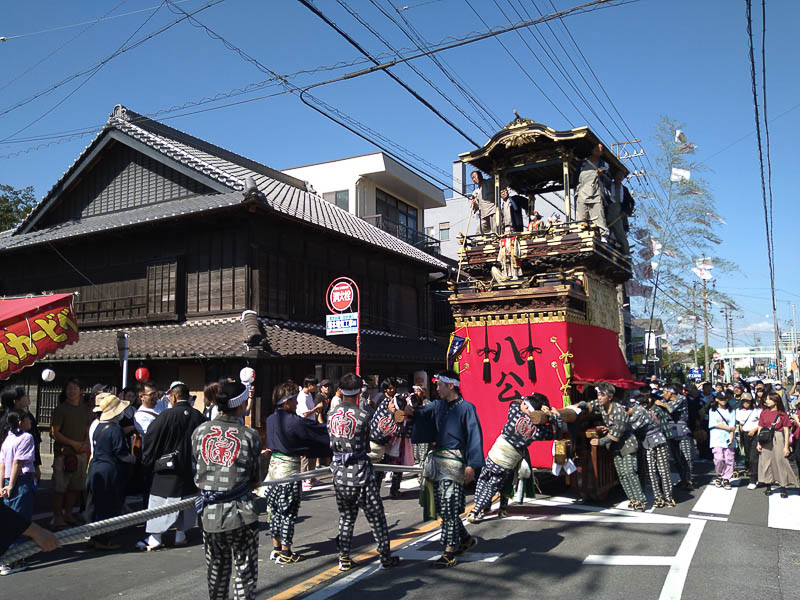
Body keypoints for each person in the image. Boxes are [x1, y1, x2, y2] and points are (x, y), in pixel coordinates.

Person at [192, 381, 261, 600]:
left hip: (209, 513)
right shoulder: (249, 435)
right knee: (245, 572)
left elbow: (195, 468)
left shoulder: (200, 432)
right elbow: (254, 479)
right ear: (241, 405)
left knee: (216, 572)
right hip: (241, 512)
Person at [328, 373, 400, 571]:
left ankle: (344, 557)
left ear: (340, 390)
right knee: (376, 516)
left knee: (346, 517)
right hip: (361, 473)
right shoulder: (363, 415)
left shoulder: (331, 414)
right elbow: (371, 441)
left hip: (339, 473)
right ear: (360, 391)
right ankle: (385, 556)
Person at [412, 369, 484, 568]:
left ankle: (449, 551)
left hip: (454, 461)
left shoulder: (467, 408)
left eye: (439, 385)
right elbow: (421, 414)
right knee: (442, 507)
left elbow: (474, 435)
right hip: (437, 461)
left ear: (451, 386)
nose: (436, 388)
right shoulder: (437, 405)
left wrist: (472, 465)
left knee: (449, 505)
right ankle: (465, 539)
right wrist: (409, 411)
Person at [263, 381, 330, 564]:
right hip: (288, 471)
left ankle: (276, 548)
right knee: (288, 511)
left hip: (273, 470)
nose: (296, 403)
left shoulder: (270, 420)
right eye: (294, 400)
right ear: (287, 402)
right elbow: (316, 433)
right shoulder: (293, 422)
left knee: (274, 510)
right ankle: (286, 552)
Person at [468, 393, 556, 523]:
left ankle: (477, 509)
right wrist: (550, 417)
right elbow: (552, 432)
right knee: (498, 484)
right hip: (508, 462)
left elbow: (514, 402)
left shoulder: (516, 414)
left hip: (494, 455)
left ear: (526, 406)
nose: (521, 404)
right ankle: (493, 508)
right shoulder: (537, 430)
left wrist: (527, 402)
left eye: (524, 403)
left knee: (484, 480)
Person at [138, 383, 206, 551]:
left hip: (168, 468)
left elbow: (151, 437)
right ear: (188, 397)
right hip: (190, 467)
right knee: (186, 501)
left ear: (173, 397)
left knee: (160, 502)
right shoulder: (198, 416)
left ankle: (155, 537)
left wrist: (150, 459)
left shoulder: (166, 416)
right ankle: (180, 535)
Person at [86, 393, 136, 550]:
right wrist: (133, 459)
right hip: (109, 470)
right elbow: (121, 453)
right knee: (108, 505)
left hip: (96, 468)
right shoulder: (115, 429)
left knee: (97, 504)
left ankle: (94, 536)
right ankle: (103, 539)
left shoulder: (98, 426)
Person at [585, 383, 646, 510]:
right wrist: (576, 407)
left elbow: (615, 436)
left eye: (602, 395)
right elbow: (589, 405)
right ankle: (633, 499)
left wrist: (599, 441)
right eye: (598, 395)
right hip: (615, 447)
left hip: (627, 444)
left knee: (630, 472)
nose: (599, 397)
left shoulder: (618, 410)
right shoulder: (602, 405)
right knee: (622, 474)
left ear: (610, 396)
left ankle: (640, 500)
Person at [50, 378, 93, 530]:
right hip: (64, 454)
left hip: (80, 454)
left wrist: (86, 443)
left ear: (81, 391)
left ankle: (68, 514)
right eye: (69, 388)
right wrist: (73, 443)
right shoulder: (60, 409)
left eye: (75, 388)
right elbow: (54, 432)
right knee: (59, 488)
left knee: (75, 487)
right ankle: (57, 517)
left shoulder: (86, 410)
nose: (71, 391)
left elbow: (88, 428)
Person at [0, 410, 37, 574]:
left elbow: (2, 465)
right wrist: (11, 485)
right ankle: (13, 561)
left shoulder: (8, 439)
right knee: (20, 520)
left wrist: (2, 485)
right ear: (21, 422)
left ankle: (7, 558)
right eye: (28, 418)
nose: (31, 421)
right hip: (20, 481)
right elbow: (18, 463)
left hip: (7, 481)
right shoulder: (26, 437)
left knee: (9, 519)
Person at [630, 393, 674, 508]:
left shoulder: (641, 412)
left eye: (634, 405)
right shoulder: (642, 411)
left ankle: (667, 497)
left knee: (662, 470)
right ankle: (659, 497)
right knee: (652, 472)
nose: (632, 407)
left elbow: (632, 427)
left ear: (643, 405)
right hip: (649, 442)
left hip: (657, 441)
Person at [656, 383, 695, 490]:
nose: (662, 394)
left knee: (686, 456)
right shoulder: (664, 401)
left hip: (682, 428)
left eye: (664, 392)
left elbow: (671, 408)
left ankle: (688, 480)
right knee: (676, 457)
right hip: (669, 429)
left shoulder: (681, 398)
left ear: (670, 392)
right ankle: (682, 479)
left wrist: (661, 404)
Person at [756, 393, 794, 498]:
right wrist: (758, 442)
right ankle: (768, 485)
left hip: (778, 437)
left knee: (780, 461)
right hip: (765, 438)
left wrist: (786, 446)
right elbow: (760, 427)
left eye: (769, 399)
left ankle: (783, 486)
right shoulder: (764, 413)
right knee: (766, 461)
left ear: (776, 401)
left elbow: (786, 431)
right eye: (766, 399)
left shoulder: (782, 414)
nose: (767, 401)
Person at [295, 376, 322, 490]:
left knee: (312, 453)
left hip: (311, 426)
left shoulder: (309, 395)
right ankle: (303, 479)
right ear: (309, 385)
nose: (316, 388)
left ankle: (311, 477)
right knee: (305, 455)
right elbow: (305, 414)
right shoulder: (301, 396)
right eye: (315, 385)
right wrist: (316, 408)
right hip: (304, 427)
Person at [575, 143, 609, 231]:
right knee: (581, 218)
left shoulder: (604, 164)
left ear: (602, 153)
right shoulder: (583, 162)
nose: (598, 149)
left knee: (598, 217)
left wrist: (602, 174)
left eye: (600, 149)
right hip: (582, 192)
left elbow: (608, 178)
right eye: (596, 147)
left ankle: (603, 234)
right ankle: (580, 232)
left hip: (595, 193)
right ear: (592, 149)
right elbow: (576, 177)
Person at [708, 393, 736, 490]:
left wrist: (731, 435)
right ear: (717, 399)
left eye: (725, 399)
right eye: (721, 399)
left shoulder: (731, 410)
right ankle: (719, 474)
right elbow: (714, 424)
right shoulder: (713, 410)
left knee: (729, 459)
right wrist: (728, 428)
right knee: (719, 458)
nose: (723, 401)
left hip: (728, 437)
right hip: (716, 437)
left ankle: (726, 478)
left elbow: (733, 424)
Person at [736, 393, 760, 489]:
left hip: (755, 434)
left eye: (748, 401)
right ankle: (755, 475)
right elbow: (740, 423)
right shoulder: (738, 411)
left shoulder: (756, 411)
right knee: (748, 456)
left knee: (754, 457)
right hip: (745, 435)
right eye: (744, 401)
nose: (746, 403)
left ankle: (753, 479)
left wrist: (754, 430)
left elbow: (761, 423)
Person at [606, 170, 631, 253]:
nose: (619, 177)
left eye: (621, 176)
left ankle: (626, 252)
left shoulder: (624, 190)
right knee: (604, 231)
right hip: (607, 211)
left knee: (620, 234)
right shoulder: (609, 186)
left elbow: (630, 202)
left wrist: (625, 211)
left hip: (618, 214)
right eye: (618, 175)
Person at [469, 170, 496, 235]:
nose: (474, 179)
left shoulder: (489, 182)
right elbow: (476, 206)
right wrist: (473, 203)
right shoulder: (476, 191)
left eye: (475, 176)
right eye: (472, 178)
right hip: (483, 214)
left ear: (480, 176)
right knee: (480, 230)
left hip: (493, 210)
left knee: (496, 230)